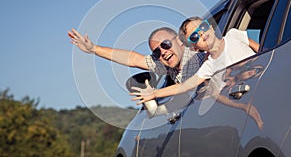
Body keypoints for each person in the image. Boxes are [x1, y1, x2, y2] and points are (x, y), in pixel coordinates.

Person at [130, 17, 264, 129]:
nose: (200, 33)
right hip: (250, 92)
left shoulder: (234, 35)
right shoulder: (209, 66)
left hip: (264, 77)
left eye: (203, 27)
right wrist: (155, 93)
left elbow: (264, 51)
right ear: (194, 47)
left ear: (211, 26)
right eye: (194, 36)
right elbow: (185, 86)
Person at [68, 27, 206, 85]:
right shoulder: (165, 65)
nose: (163, 52)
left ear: (180, 41)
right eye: (156, 52)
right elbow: (133, 59)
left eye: (166, 44)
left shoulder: (200, 52)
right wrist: (93, 48)